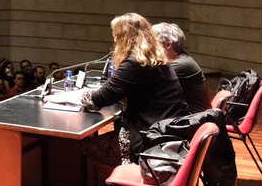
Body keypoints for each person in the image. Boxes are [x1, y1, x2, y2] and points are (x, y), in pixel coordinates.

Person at [72, 13, 188, 166]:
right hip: (167, 134)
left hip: (147, 141)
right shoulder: (158, 59)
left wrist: (74, 96)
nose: (114, 40)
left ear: (125, 38)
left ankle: (120, 184)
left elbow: (97, 101)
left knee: (81, 146)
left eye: (116, 36)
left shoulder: (135, 63)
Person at [152, 22, 209, 112]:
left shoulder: (180, 65)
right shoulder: (183, 59)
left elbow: (147, 82)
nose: (149, 48)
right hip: (192, 118)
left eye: (152, 44)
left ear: (167, 45)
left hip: (194, 121)